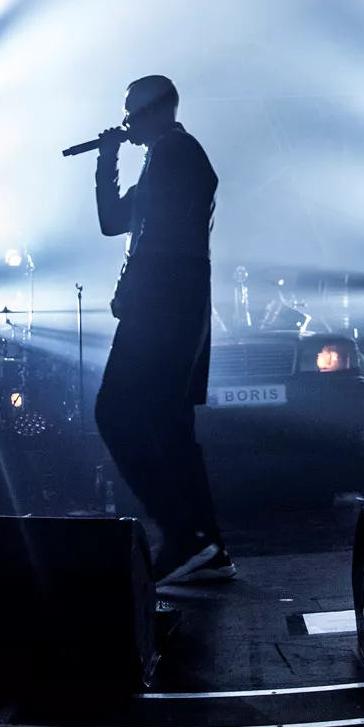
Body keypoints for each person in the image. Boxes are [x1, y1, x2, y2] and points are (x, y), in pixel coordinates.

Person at [93, 75, 232, 585]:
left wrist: (133, 292)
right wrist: (108, 159)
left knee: (114, 411)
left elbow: (161, 238)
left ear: (153, 109)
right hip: (168, 304)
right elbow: (114, 221)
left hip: (164, 307)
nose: (126, 122)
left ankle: (182, 533)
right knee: (170, 425)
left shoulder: (178, 153)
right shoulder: (162, 159)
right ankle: (206, 544)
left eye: (131, 113)